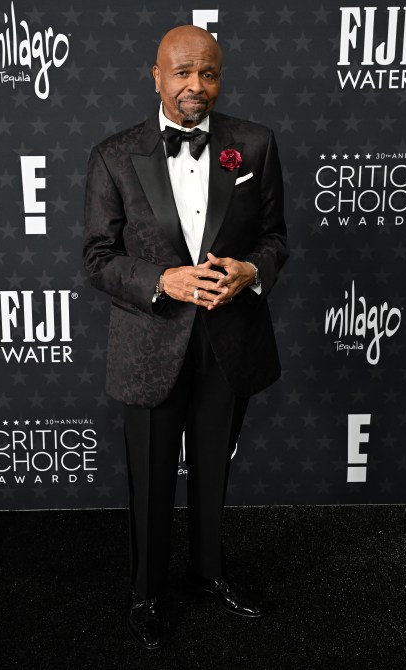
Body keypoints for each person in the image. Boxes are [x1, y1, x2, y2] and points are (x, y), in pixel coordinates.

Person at [83, 25, 289, 650]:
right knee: (150, 480)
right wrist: (162, 280)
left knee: (212, 469)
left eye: (208, 73)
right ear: (156, 76)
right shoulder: (114, 155)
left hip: (230, 340)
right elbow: (97, 258)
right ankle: (146, 593)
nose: (196, 85)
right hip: (150, 343)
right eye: (182, 73)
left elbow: (275, 238)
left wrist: (251, 270)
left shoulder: (254, 144)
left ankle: (209, 571)